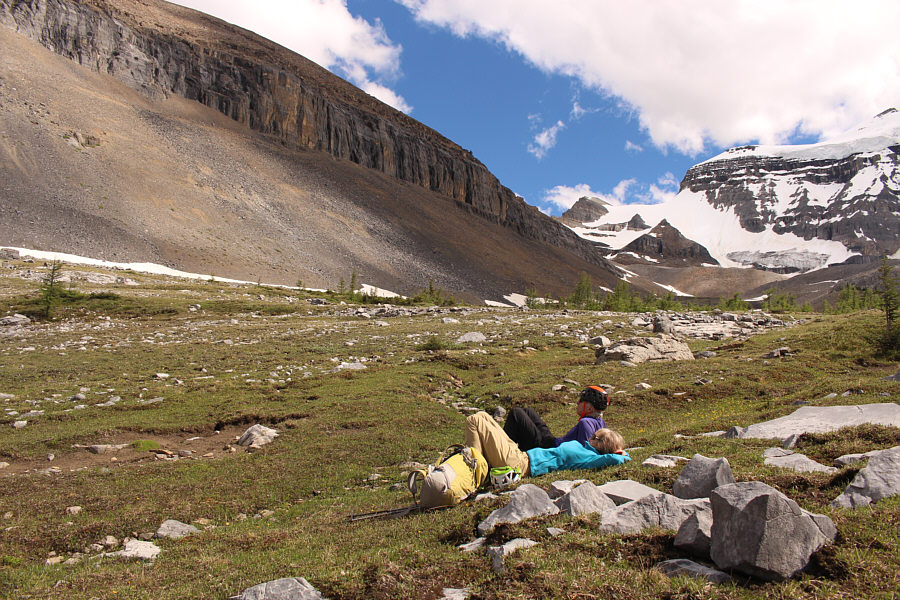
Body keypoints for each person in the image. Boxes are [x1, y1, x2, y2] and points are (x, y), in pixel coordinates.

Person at [464, 410, 628, 478]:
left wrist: (621, 453)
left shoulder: (590, 458)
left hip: (521, 465)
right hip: (522, 455)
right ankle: (478, 463)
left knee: (474, 420)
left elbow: (614, 459)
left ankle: (476, 472)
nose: (590, 437)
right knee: (483, 415)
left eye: (594, 436)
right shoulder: (585, 449)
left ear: (600, 443)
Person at [503, 386, 609, 451]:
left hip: (548, 449)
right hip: (552, 442)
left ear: (589, 408)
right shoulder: (600, 422)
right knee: (528, 411)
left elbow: (584, 449)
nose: (577, 403)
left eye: (581, 401)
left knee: (516, 413)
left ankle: (504, 451)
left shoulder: (585, 423)